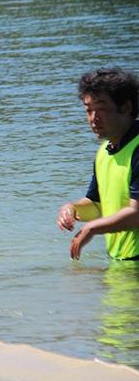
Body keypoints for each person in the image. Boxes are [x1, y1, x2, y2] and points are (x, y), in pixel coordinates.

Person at [57, 67, 139, 261]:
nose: (94, 118)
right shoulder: (104, 151)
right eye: (89, 110)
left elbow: (136, 215)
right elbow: (97, 205)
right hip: (123, 262)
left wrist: (92, 228)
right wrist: (72, 209)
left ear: (126, 107)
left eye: (101, 109)